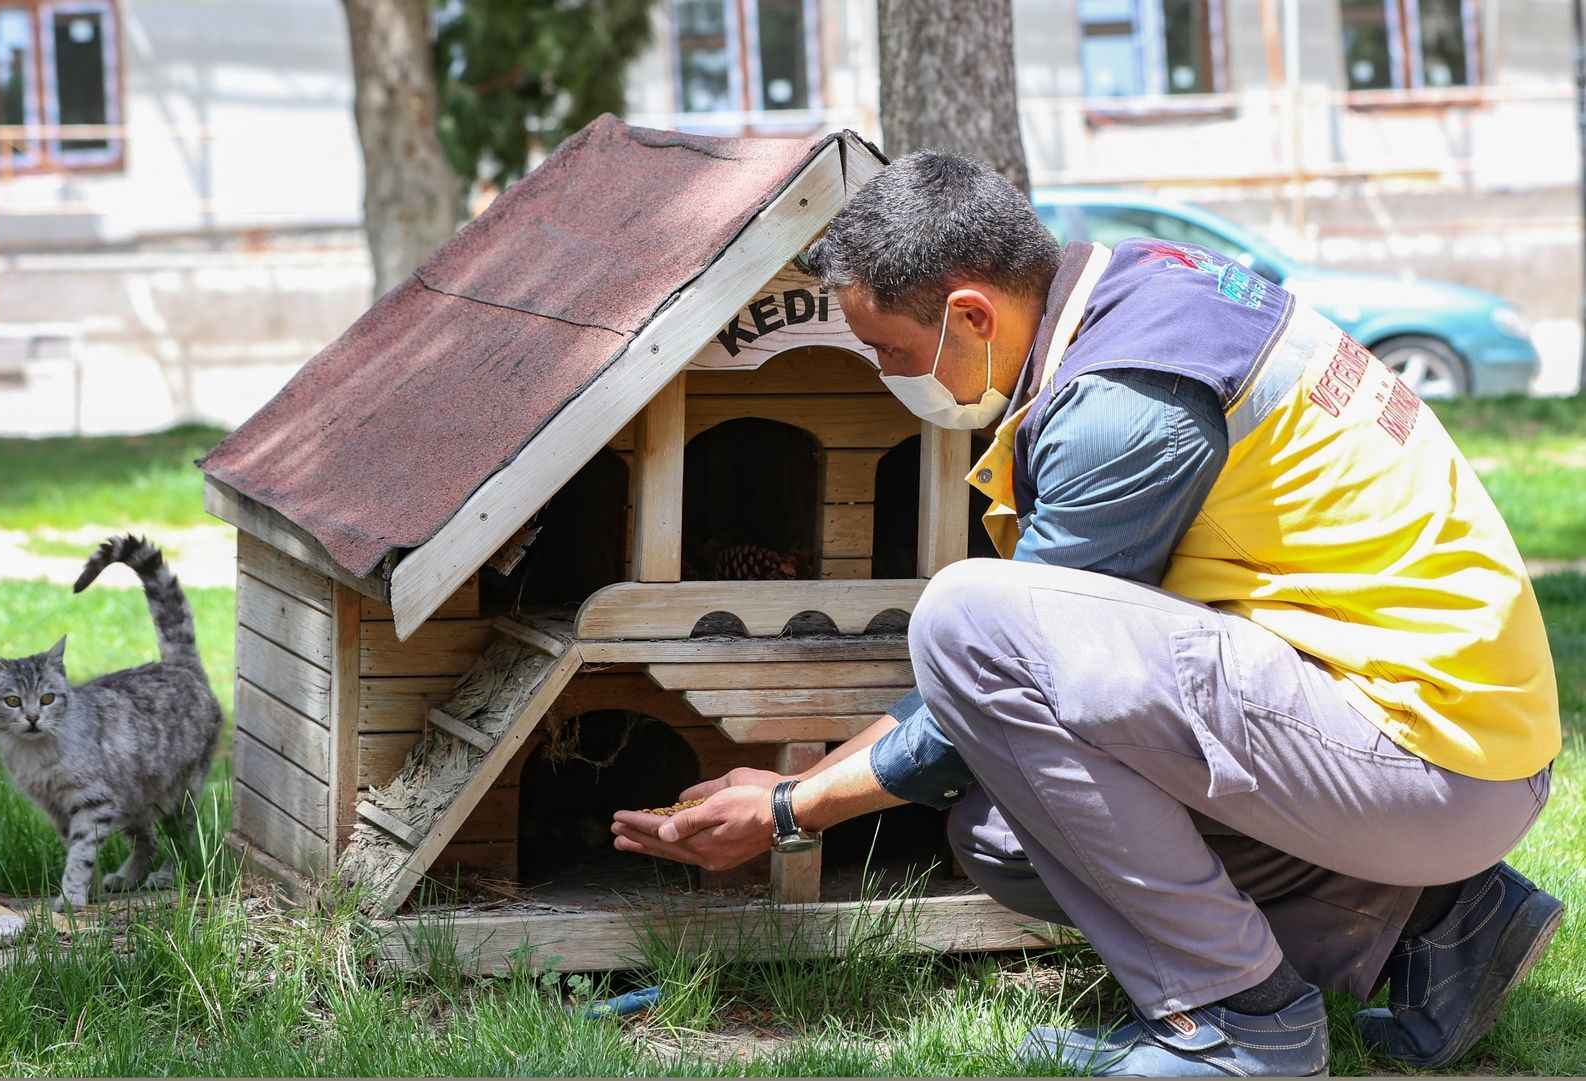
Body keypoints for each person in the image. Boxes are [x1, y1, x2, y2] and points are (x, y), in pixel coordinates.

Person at [610, 150, 1563, 1076]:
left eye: (890, 350)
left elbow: (987, 673)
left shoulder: (1120, 406)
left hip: (1424, 759)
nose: (887, 375)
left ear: (970, 313)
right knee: (1003, 834)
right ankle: (1435, 923)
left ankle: (1239, 1018)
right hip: (1449, 747)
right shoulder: (1137, 291)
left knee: (967, 617)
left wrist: (788, 806)